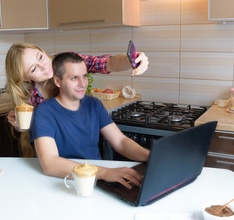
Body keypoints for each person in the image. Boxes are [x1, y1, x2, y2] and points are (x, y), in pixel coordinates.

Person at [5, 43, 149, 157]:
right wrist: (24, 124)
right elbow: (40, 134)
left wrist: (132, 59)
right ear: (26, 78)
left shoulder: (64, 62)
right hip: (53, 155)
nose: (44, 66)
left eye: (40, 57)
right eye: (34, 69)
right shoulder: (29, 96)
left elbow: (107, 63)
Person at [30, 52, 150, 189]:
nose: (82, 84)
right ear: (58, 81)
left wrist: (150, 156)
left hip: (97, 178)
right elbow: (50, 163)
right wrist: (105, 172)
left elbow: (120, 142)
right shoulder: (43, 112)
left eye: (85, 76)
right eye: (74, 78)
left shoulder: (94, 104)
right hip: (65, 183)